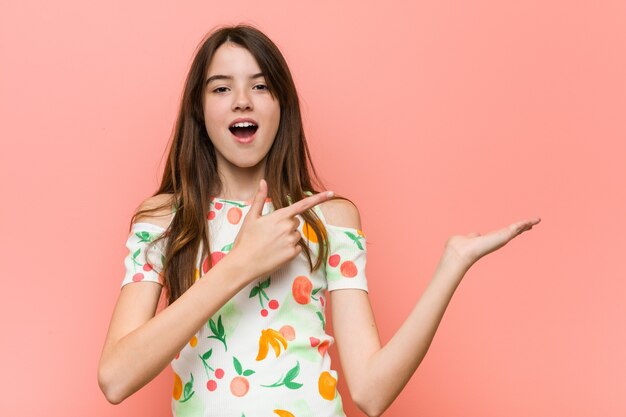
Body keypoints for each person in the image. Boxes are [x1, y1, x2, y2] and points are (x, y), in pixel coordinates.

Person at [98, 24, 541, 417]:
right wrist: (240, 264)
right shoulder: (163, 221)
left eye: (260, 86)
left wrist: (452, 265)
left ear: (281, 105)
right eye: (220, 89)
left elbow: (371, 392)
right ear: (199, 109)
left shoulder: (328, 219)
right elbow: (116, 379)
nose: (241, 102)